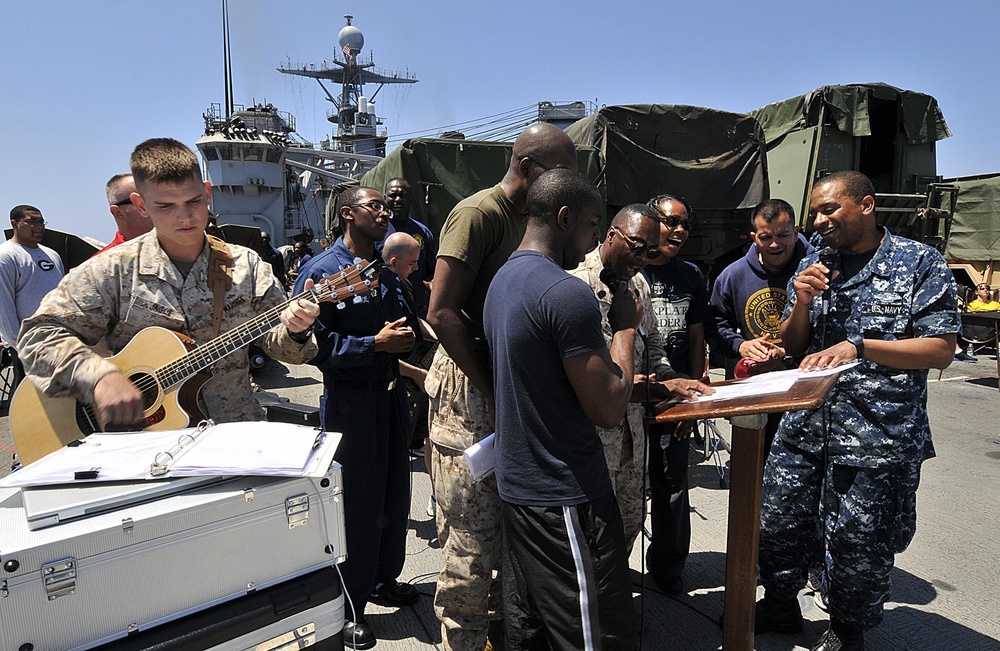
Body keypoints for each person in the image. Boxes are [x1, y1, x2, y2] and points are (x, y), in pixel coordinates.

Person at [484, 169, 709, 650]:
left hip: (523, 482)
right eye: (591, 227)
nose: (590, 241)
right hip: (563, 490)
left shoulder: (505, 277)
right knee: (589, 633)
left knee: (531, 625)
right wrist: (626, 328)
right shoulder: (566, 292)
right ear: (567, 218)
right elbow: (607, 407)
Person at [755, 171, 959, 651]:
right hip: (805, 426)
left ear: (866, 205)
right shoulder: (816, 262)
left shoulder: (918, 263)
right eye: (816, 213)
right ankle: (781, 605)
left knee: (858, 544)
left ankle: (848, 631)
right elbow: (792, 345)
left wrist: (861, 346)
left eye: (830, 210)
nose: (819, 221)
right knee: (780, 523)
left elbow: (941, 349)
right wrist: (801, 303)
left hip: (877, 434)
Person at [17, 138, 318, 430]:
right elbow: (37, 337)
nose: (184, 217)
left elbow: (288, 353)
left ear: (207, 192)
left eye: (194, 201)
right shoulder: (114, 270)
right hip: (147, 443)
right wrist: (99, 377)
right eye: (165, 206)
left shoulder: (246, 266)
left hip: (233, 432)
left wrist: (297, 331)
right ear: (141, 204)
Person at [425, 122, 579, 651]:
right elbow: (442, 312)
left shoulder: (533, 221)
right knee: (470, 543)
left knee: (513, 537)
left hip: (509, 382)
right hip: (471, 391)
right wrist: (492, 385)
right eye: (563, 172)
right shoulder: (478, 215)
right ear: (531, 168)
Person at [294, 186, 416, 650]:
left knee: (393, 496)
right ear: (348, 213)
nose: (385, 212)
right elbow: (314, 349)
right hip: (351, 403)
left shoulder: (381, 272)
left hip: (389, 399)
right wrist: (373, 346)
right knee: (357, 508)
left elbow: (402, 325)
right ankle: (350, 607)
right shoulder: (321, 273)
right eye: (376, 207)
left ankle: (384, 581)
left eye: (386, 206)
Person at [567, 203, 677, 551]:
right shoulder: (574, 286)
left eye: (652, 251)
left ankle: (612, 598)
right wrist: (659, 387)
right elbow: (595, 378)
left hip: (633, 438)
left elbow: (654, 341)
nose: (643, 257)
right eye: (637, 246)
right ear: (612, 235)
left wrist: (667, 374)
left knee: (629, 525)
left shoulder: (637, 284)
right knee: (591, 537)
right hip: (594, 442)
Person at [707, 198, 814, 453]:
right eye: (766, 237)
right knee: (755, 472)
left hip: (808, 395)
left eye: (783, 235)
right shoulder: (733, 275)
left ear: (797, 232)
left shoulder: (816, 268)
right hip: (758, 395)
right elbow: (715, 327)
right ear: (754, 237)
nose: (775, 244)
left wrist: (787, 352)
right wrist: (741, 345)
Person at [639, 193, 706, 594]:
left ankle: (668, 568)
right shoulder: (630, 271)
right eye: (670, 222)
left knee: (671, 484)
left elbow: (698, 338)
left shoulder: (691, 275)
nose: (678, 230)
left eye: (684, 224)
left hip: (676, 399)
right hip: (628, 395)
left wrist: (695, 398)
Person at [1, 205, 64, 389]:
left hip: (59, 340)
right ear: (14, 223)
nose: (39, 226)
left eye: (41, 221)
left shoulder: (52, 255)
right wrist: (20, 345)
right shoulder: (6, 256)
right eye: (31, 221)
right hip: (28, 346)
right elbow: (4, 307)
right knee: (27, 400)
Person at [384, 177, 437, 317]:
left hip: (416, 308)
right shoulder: (377, 231)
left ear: (410, 199)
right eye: (392, 195)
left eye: (403, 195)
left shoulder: (423, 232)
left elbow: (432, 269)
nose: (397, 200)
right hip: (385, 309)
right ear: (385, 198)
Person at [95, 173, 153, 255]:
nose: (157, 207)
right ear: (118, 213)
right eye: (142, 201)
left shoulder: (175, 252)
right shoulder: (100, 265)